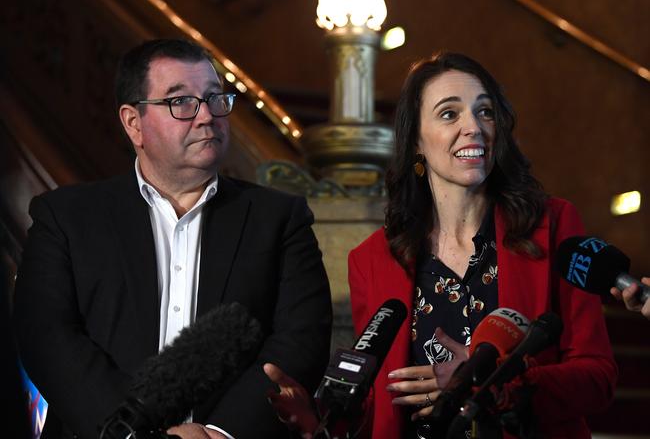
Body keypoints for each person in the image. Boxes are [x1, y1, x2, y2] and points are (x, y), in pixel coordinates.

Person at [13, 38, 332, 439]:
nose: (206, 117)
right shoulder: (66, 217)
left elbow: (301, 339)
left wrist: (219, 432)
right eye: (181, 102)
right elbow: (46, 336)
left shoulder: (279, 219)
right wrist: (131, 433)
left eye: (215, 99)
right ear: (134, 123)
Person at [347, 52, 617, 438]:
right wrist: (321, 419)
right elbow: (380, 404)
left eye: (485, 111)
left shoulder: (554, 225)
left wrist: (490, 384)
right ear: (416, 142)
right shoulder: (371, 259)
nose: (473, 126)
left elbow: (597, 377)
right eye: (448, 113)